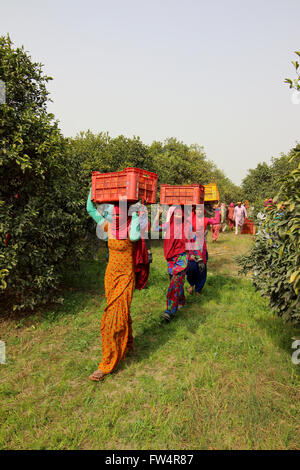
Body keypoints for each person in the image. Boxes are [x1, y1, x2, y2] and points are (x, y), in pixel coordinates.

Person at [86, 190, 141, 381]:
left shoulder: (131, 227)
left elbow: (134, 238)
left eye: (119, 214)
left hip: (126, 277)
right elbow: (90, 208)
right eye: (114, 213)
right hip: (110, 276)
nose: (115, 216)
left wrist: (135, 213)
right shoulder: (108, 226)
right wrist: (94, 188)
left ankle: (106, 364)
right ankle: (129, 344)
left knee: (113, 319)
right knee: (120, 312)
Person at [153, 205, 188, 322]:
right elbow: (154, 229)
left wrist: (197, 257)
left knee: (174, 283)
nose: (178, 216)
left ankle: (169, 310)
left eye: (180, 215)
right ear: (173, 215)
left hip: (181, 259)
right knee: (176, 282)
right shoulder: (168, 225)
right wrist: (157, 214)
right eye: (176, 214)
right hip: (171, 259)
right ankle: (181, 301)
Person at [186, 206, 208, 296]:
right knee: (192, 267)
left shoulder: (204, 219)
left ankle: (198, 289)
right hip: (191, 243)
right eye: (196, 209)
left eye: (200, 209)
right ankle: (191, 284)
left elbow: (216, 221)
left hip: (201, 245)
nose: (198, 211)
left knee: (202, 268)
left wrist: (217, 210)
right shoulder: (190, 217)